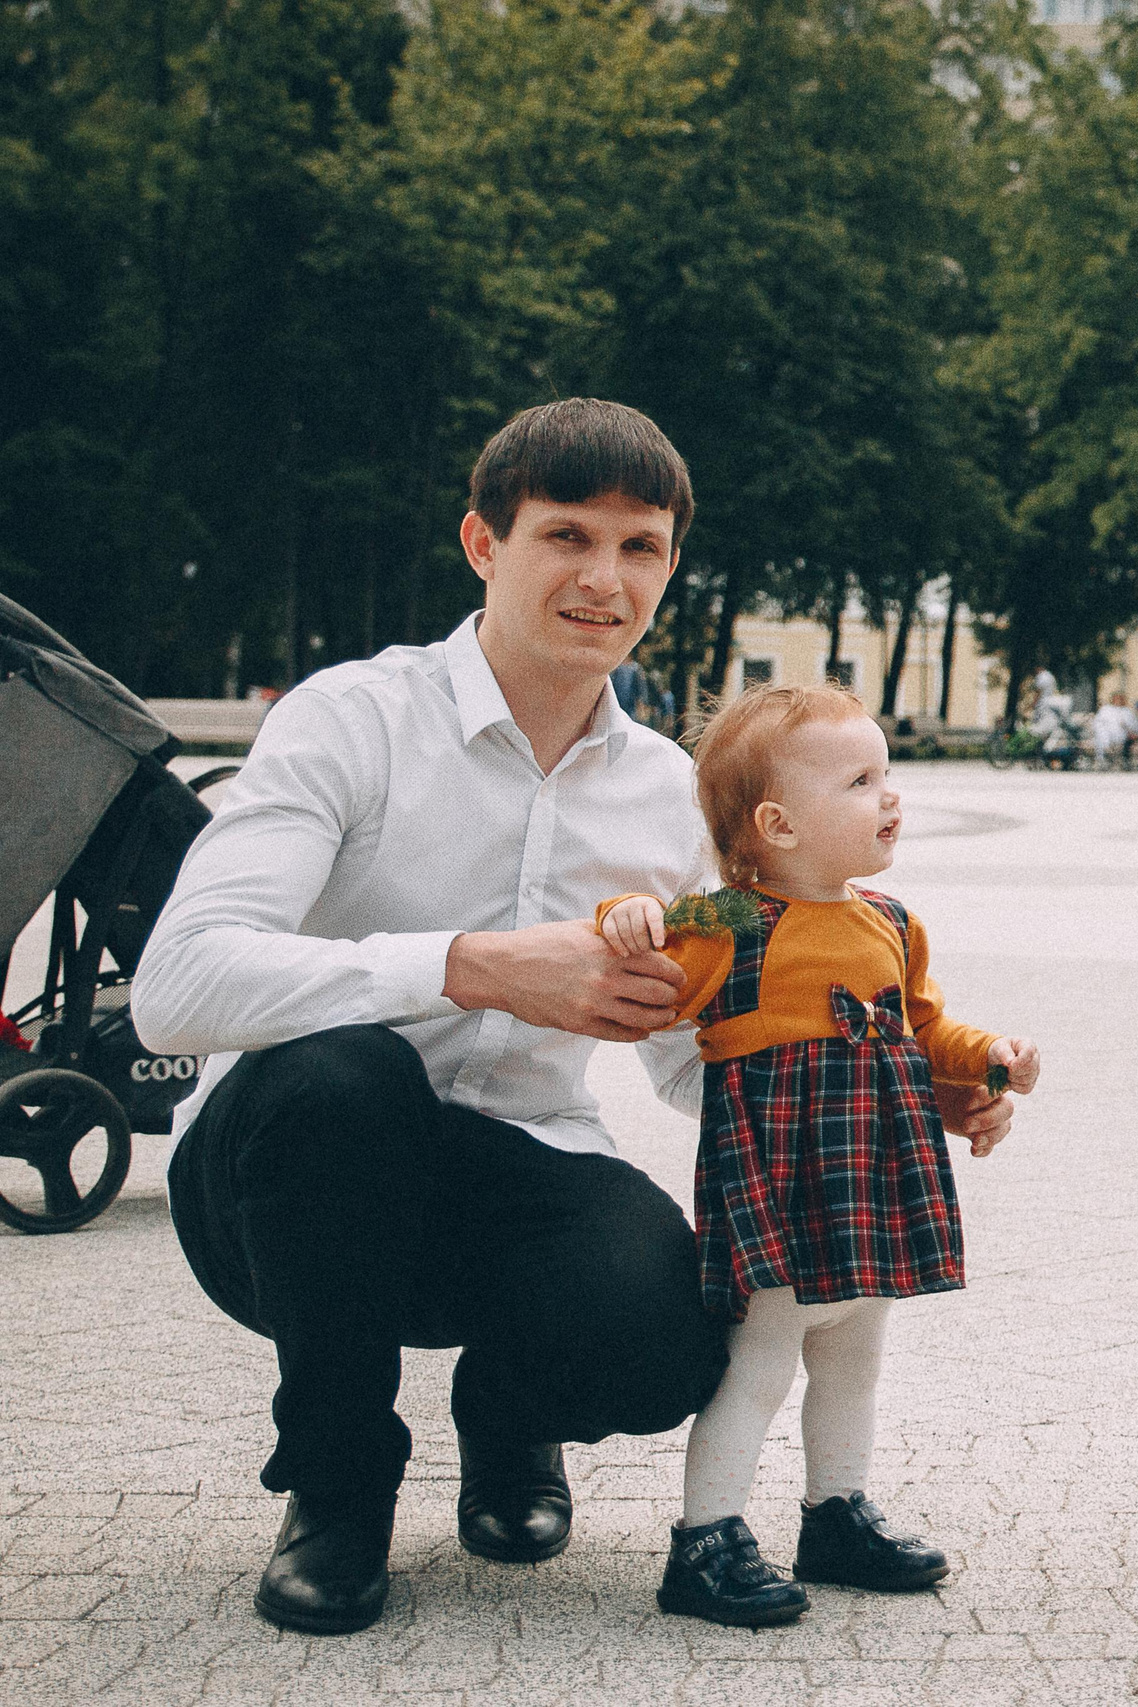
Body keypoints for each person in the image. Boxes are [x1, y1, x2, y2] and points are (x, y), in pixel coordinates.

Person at [130, 400, 1013, 1637]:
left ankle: (508, 1416)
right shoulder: (350, 718)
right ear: (485, 547)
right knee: (343, 1078)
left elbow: (697, 1058)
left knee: (674, 1333)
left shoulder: (670, 795)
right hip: (286, 1186)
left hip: (518, 1165)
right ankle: (337, 1486)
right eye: (566, 536)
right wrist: (475, 968)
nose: (605, 579)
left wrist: (898, 1094)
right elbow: (177, 987)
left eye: (640, 547)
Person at [597, 684, 1040, 1626]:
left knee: (854, 1357)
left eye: (888, 773)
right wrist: (627, 915)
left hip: (872, 1182)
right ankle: (705, 1539)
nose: (891, 796)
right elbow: (637, 950)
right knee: (759, 1362)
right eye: (860, 780)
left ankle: (834, 1513)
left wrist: (989, 1059)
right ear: (778, 823)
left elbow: (926, 1028)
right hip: (784, 1185)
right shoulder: (727, 924)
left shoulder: (891, 921)